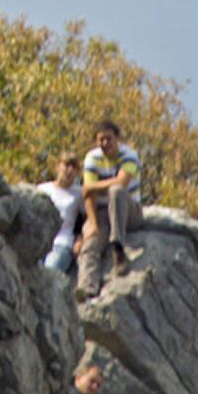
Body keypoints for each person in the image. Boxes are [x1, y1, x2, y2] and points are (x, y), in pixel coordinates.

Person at [76, 120, 143, 301]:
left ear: (117, 139)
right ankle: (86, 289)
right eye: (101, 140)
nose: (105, 144)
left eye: (108, 139)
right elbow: (87, 195)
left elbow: (121, 183)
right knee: (90, 245)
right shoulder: (92, 158)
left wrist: (93, 186)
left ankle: (117, 247)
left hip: (129, 210)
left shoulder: (129, 156)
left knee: (116, 191)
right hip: (103, 211)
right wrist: (93, 224)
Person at [37, 152, 84, 273]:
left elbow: (87, 217)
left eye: (74, 167)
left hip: (62, 242)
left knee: (49, 273)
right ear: (57, 166)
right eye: (67, 165)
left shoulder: (79, 194)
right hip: (39, 240)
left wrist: (80, 238)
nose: (70, 170)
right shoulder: (42, 189)